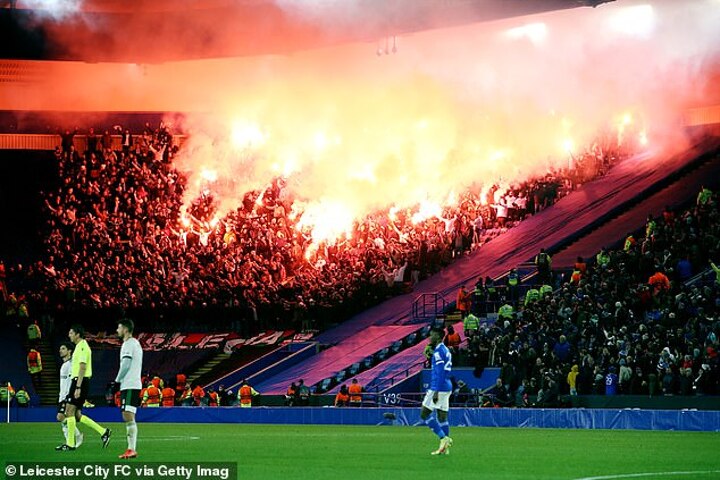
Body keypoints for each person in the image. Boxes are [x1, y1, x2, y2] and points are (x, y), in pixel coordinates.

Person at [57, 324, 111, 451]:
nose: (69, 335)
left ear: (77, 334)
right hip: (79, 381)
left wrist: (78, 387)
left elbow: (82, 367)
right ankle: (103, 432)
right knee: (76, 414)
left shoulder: (82, 347)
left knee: (69, 412)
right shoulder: (79, 347)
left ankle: (70, 444)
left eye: (71, 333)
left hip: (79, 381)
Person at [420, 327, 453, 456]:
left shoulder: (438, 352)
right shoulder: (446, 350)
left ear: (438, 337)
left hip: (438, 387)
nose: (430, 337)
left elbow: (440, 372)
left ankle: (443, 438)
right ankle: (445, 448)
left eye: (432, 335)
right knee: (442, 416)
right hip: (447, 386)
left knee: (424, 414)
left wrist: (436, 391)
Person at [114, 318, 143, 459]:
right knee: (127, 415)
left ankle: (132, 449)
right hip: (131, 383)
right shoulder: (134, 343)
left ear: (125, 329)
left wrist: (116, 380)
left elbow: (125, 364)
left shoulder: (128, 344)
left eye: (119, 328)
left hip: (130, 383)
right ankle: (131, 449)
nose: (117, 330)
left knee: (128, 415)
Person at [56, 342, 83, 450]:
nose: (60, 350)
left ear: (69, 351)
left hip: (67, 396)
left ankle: (74, 438)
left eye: (63, 348)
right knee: (65, 418)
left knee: (61, 417)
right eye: (60, 348)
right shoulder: (64, 365)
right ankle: (73, 439)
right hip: (62, 395)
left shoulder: (71, 365)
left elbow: (73, 381)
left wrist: (69, 395)